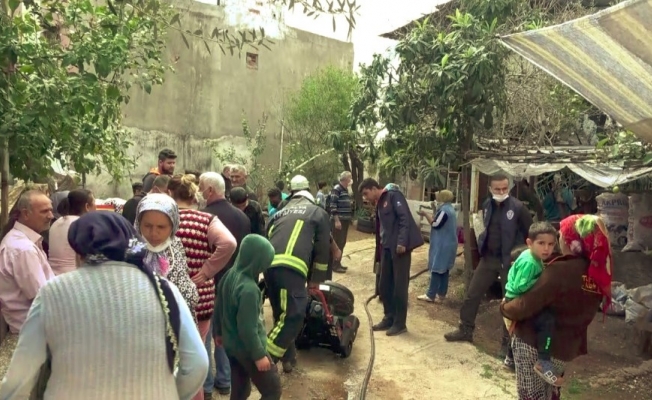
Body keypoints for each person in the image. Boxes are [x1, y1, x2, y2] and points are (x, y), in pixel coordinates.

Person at [0, 212, 208, 400]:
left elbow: (21, 375)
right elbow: (197, 364)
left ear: (79, 252)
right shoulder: (164, 289)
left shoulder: (54, 291)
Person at [501, 214, 610, 400]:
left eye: (561, 235)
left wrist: (504, 307)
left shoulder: (560, 271)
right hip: (565, 347)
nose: (560, 240)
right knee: (551, 394)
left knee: (532, 396)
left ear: (571, 240)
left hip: (533, 344)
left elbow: (525, 304)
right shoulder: (597, 274)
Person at [445, 174, 532, 358]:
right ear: (491, 189)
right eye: (497, 189)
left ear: (508, 188)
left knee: (509, 303)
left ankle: (507, 345)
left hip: (510, 262)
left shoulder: (518, 208)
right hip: (489, 259)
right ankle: (465, 329)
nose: (501, 192)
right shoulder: (487, 205)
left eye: (504, 188)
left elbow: (530, 235)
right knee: (472, 293)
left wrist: (520, 256)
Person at [168, 175, 237, 400]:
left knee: (169, 357)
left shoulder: (164, 220)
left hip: (167, 296)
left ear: (171, 194)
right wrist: (207, 270)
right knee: (194, 356)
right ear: (194, 196)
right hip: (200, 297)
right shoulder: (206, 220)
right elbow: (229, 243)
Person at [265, 175, 331, 372]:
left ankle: (289, 358)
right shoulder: (318, 212)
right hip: (291, 269)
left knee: (281, 314)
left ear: (291, 194)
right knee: (294, 315)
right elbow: (322, 250)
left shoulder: (278, 213)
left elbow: (265, 237)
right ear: (309, 192)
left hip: (269, 267)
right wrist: (316, 280)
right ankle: (265, 360)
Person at [200, 172, 250, 396]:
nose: (199, 192)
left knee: (204, 334)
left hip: (208, 284)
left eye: (201, 187)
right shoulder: (242, 217)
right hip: (232, 284)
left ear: (210, 190)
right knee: (225, 333)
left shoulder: (203, 217)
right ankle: (225, 379)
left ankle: (206, 385)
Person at [214, 235, 282, 400]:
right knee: (272, 390)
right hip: (247, 350)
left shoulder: (229, 275)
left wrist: (218, 332)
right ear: (257, 262)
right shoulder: (249, 290)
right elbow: (247, 328)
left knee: (241, 391)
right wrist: (259, 355)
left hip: (231, 347)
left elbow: (218, 307)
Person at [358, 179, 424, 337]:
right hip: (386, 248)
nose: (366, 198)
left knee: (399, 287)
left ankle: (400, 323)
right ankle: (389, 317)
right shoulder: (380, 202)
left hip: (399, 249)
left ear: (374, 188)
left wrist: (402, 242)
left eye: (366, 193)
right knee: (384, 285)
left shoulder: (394, 196)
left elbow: (404, 219)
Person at [503, 222, 557, 382]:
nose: (546, 249)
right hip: (517, 299)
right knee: (548, 320)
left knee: (520, 329)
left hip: (513, 297)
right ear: (529, 243)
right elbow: (520, 286)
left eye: (551, 244)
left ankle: (510, 358)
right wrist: (541, 281)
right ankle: (544, 361)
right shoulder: (530, 262)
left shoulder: (530, 255)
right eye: (541, 243)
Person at [135, 194, 199, 322]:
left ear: (173, 226)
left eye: (161, 227)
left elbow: (187, 295)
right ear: (138, 223)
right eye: (147, 226)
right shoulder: (131, 250)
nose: (154, 233)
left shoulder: (175, 247)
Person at [0, 190, 54, 334]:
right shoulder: (23, 249)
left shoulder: (24, 242)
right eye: (44, 211)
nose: (51, 216)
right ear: (25, 214)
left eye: (51, 210)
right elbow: (42, 297)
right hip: (33, 331)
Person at [417, 190, 458, 303]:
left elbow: (435, 224)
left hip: (443, 244)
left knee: (436, 268)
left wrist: (425, 214)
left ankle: (430, 295)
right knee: (444, 269)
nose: (437, 198)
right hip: (449, 243)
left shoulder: (445, 211)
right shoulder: (449, 209)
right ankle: (441, 294)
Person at [48, 189, 96, 276]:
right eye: (94, 204)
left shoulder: (57, 222)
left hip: (52, 274)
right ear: (87, 207)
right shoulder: (83, 224)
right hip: (73, 276)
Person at [328, 171, 354, 274]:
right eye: (350, 178)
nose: (351, 180)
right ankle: (334, 265)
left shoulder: (345, 190)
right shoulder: (337, 189)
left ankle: (338, 262)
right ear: (346, 179)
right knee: (337, 242)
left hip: (345, 220)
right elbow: (333, 205)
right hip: (339, 220)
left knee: (342, 242)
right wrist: (337, 220)